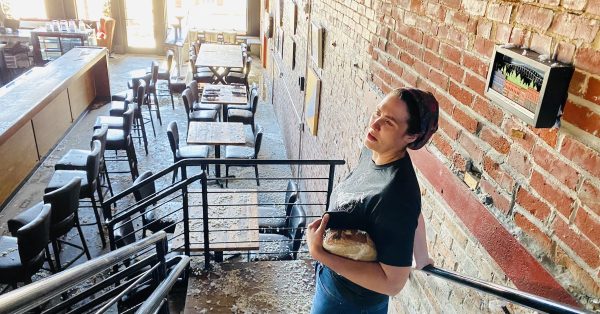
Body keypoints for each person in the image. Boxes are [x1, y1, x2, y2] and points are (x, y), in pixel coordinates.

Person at [306, 87, 439, 313]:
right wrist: (422, 257)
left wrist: (319, 254)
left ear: (411, 136)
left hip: (352, 303)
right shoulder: (374, 150)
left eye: (389, 122)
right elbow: (415, 216)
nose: (375, 124)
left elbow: (393, 283)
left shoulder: (397, 194)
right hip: (333, 283)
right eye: (377, 112)